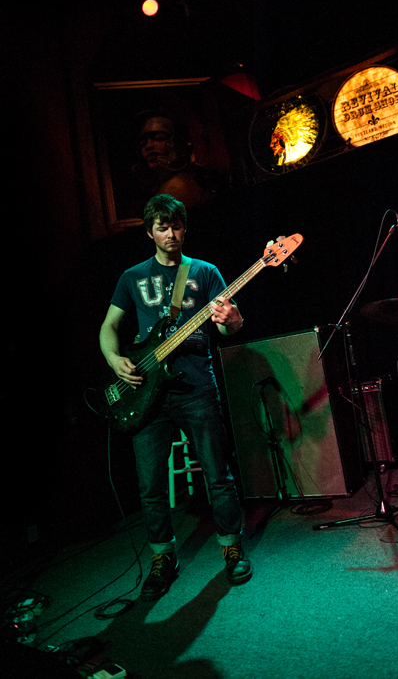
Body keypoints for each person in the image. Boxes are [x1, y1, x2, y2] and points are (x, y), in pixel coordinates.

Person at [99, 193, 251, 599]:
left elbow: (226, 327)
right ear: (150, 232)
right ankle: (162, 557)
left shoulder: (204, 272)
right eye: (162, 227)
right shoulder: (131, 277)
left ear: (185, 228)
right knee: (150, 485)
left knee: (217, 473)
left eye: (177, 226)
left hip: (197, 386)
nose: (171, 234)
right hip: (147, 392)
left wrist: (233, 319)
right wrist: (114, 359)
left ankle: (231, 547)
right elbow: (108, 327)